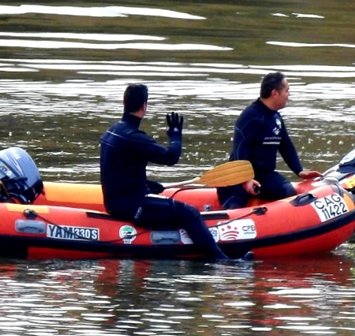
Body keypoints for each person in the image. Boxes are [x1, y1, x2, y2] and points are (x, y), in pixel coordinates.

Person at [100, 83, 246, 261]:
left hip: (114, 204)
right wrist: (176, 136)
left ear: (124, 102)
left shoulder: (111, 132)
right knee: (190, 212)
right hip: (132, 208)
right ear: (144, 106)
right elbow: (171, 157)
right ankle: (221, 260)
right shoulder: (134, 138)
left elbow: (120, 172)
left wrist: (147, 186)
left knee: (167, 204)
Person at [219, 72, 322, 209]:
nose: (288, 95)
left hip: (264, 176)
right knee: (234, 204)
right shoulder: (250, 117)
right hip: (239, 176)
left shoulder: (276, 117)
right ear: (275, 93)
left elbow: (286, 146)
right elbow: (240, 149)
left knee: (289, 192)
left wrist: (299, 171)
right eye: (287, 90)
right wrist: (246, 179)